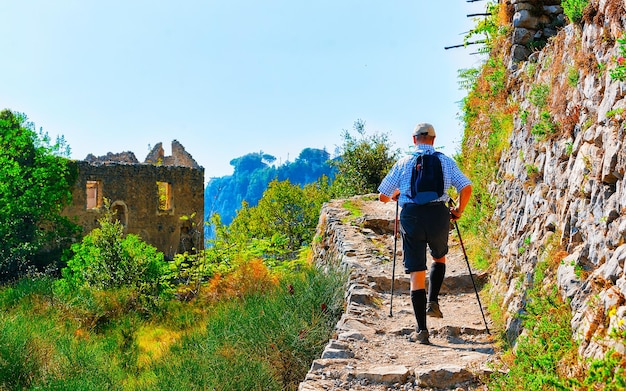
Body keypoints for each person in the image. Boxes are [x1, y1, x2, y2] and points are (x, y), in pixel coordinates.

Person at [378, 123, 472, 344]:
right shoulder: (446, 161)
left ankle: (421, 330)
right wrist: (458, 209)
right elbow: (466, 187)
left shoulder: (403, 163)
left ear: (414, 139)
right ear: (433, 139)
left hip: (411, 217)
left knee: (416, 272)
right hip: (438, 215)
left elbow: (383, 195)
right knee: (439, 256)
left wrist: (397, 194)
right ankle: (433, 302)